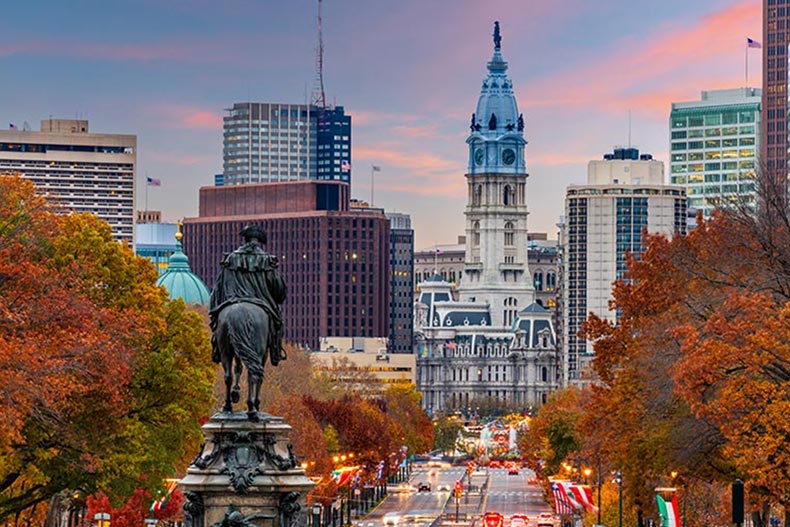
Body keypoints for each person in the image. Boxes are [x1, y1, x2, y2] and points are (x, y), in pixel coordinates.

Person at [209, 225, 287, 367]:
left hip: (232, 299)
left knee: (218, 324)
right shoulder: (267, 260)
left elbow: (218, 287)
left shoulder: (231, 258)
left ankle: (216, 348)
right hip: (261, 302)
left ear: (244, 240)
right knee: (277, 324)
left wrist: (214, 311)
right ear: (259, 242)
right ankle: (276, 352)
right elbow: (278, 289)